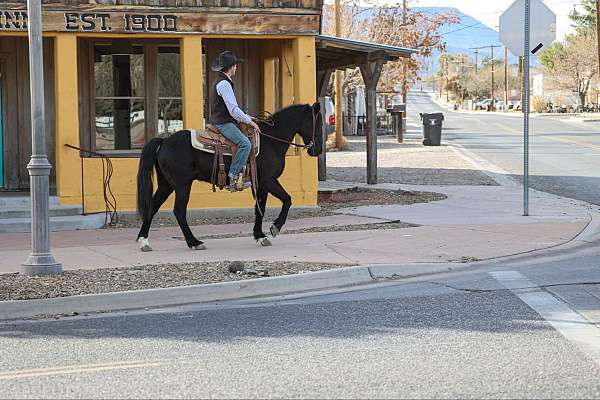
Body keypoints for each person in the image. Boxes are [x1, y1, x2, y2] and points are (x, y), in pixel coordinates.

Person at [210, 51, 261, 192]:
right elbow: (233, 110)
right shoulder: (224, 84)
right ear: (231, 67)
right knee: (245, 143)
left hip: (221, 120)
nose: (236, 68)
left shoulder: (220, 81)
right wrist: (250, 122)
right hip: (223, 123)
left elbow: (233, 110)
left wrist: (248, 117)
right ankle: (232, 178)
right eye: (235, 66)